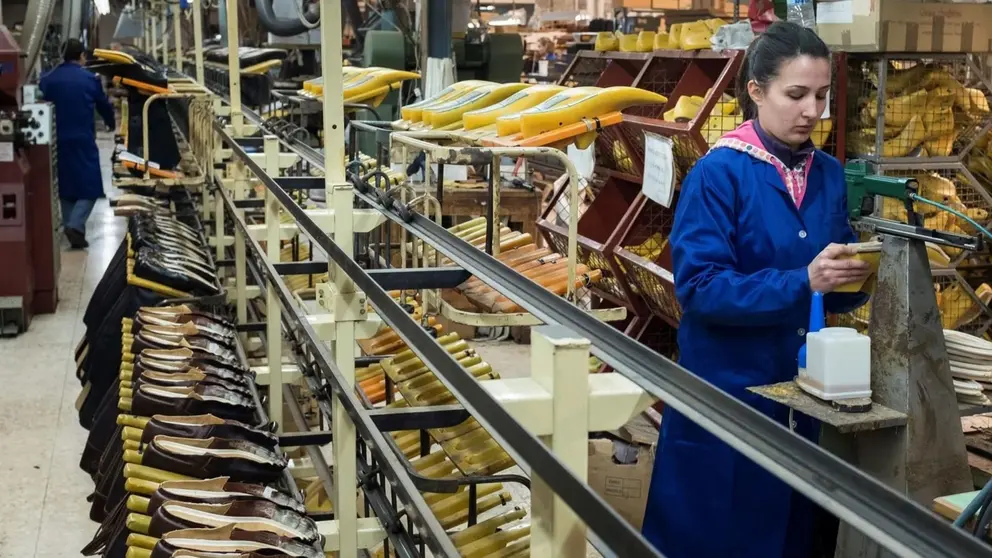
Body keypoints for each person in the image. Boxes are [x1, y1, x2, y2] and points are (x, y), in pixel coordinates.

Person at [641, 22, 871, 558]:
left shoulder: (829, 174)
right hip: (730, 400)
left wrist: (855, 280)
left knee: (792, 534)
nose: (811, 110)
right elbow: (699, 287)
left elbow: (828, 287)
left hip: (805, 396)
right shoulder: (719, 175)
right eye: (795, 95)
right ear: (756, 91)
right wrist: (801, 281)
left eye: (820, 95)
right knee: (720, 534)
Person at [39, 38, 116, 249]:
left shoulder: (47, 79)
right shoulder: (89, 79)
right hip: (82, 138)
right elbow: (103, 104)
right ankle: (74, 224)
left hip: (55, 139)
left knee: (66, 184)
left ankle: (73, 229)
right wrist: (111, 123)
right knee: (91, 186)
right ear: (82, 56)